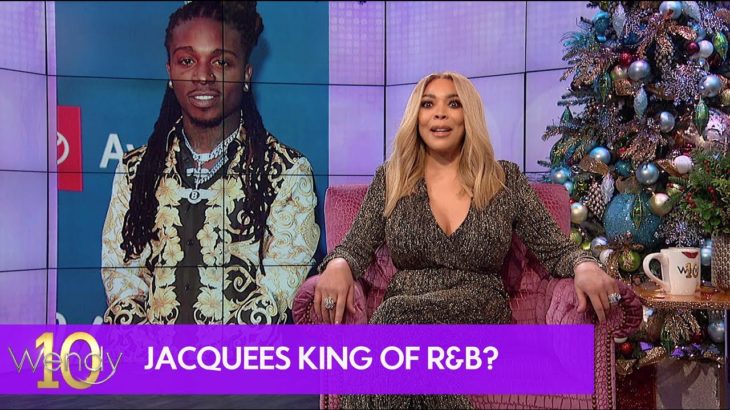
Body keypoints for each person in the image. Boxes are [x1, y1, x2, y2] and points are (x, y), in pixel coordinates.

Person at [314, 72, 620, 408]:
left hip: (478, 311)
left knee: (392, 326)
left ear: (468, 115)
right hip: (407, 310)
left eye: (453, 104)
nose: (439, 114)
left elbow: (556, 249)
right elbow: (355, 246)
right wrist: (338, 265)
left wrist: (586, 266)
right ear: (416, 117)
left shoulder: (503, 179)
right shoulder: (392, 179)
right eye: (428, 104)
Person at [101, 1, 319, 325]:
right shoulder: (136, 171)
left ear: (246, 74)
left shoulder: (286, 172)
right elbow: (123, 283)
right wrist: (154, 352)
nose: (203, 76)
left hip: (245, 355)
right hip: (151, 353)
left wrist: (210, 354)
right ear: (170, 72)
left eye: (221, 62)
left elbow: (276, 296)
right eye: (187, 61)